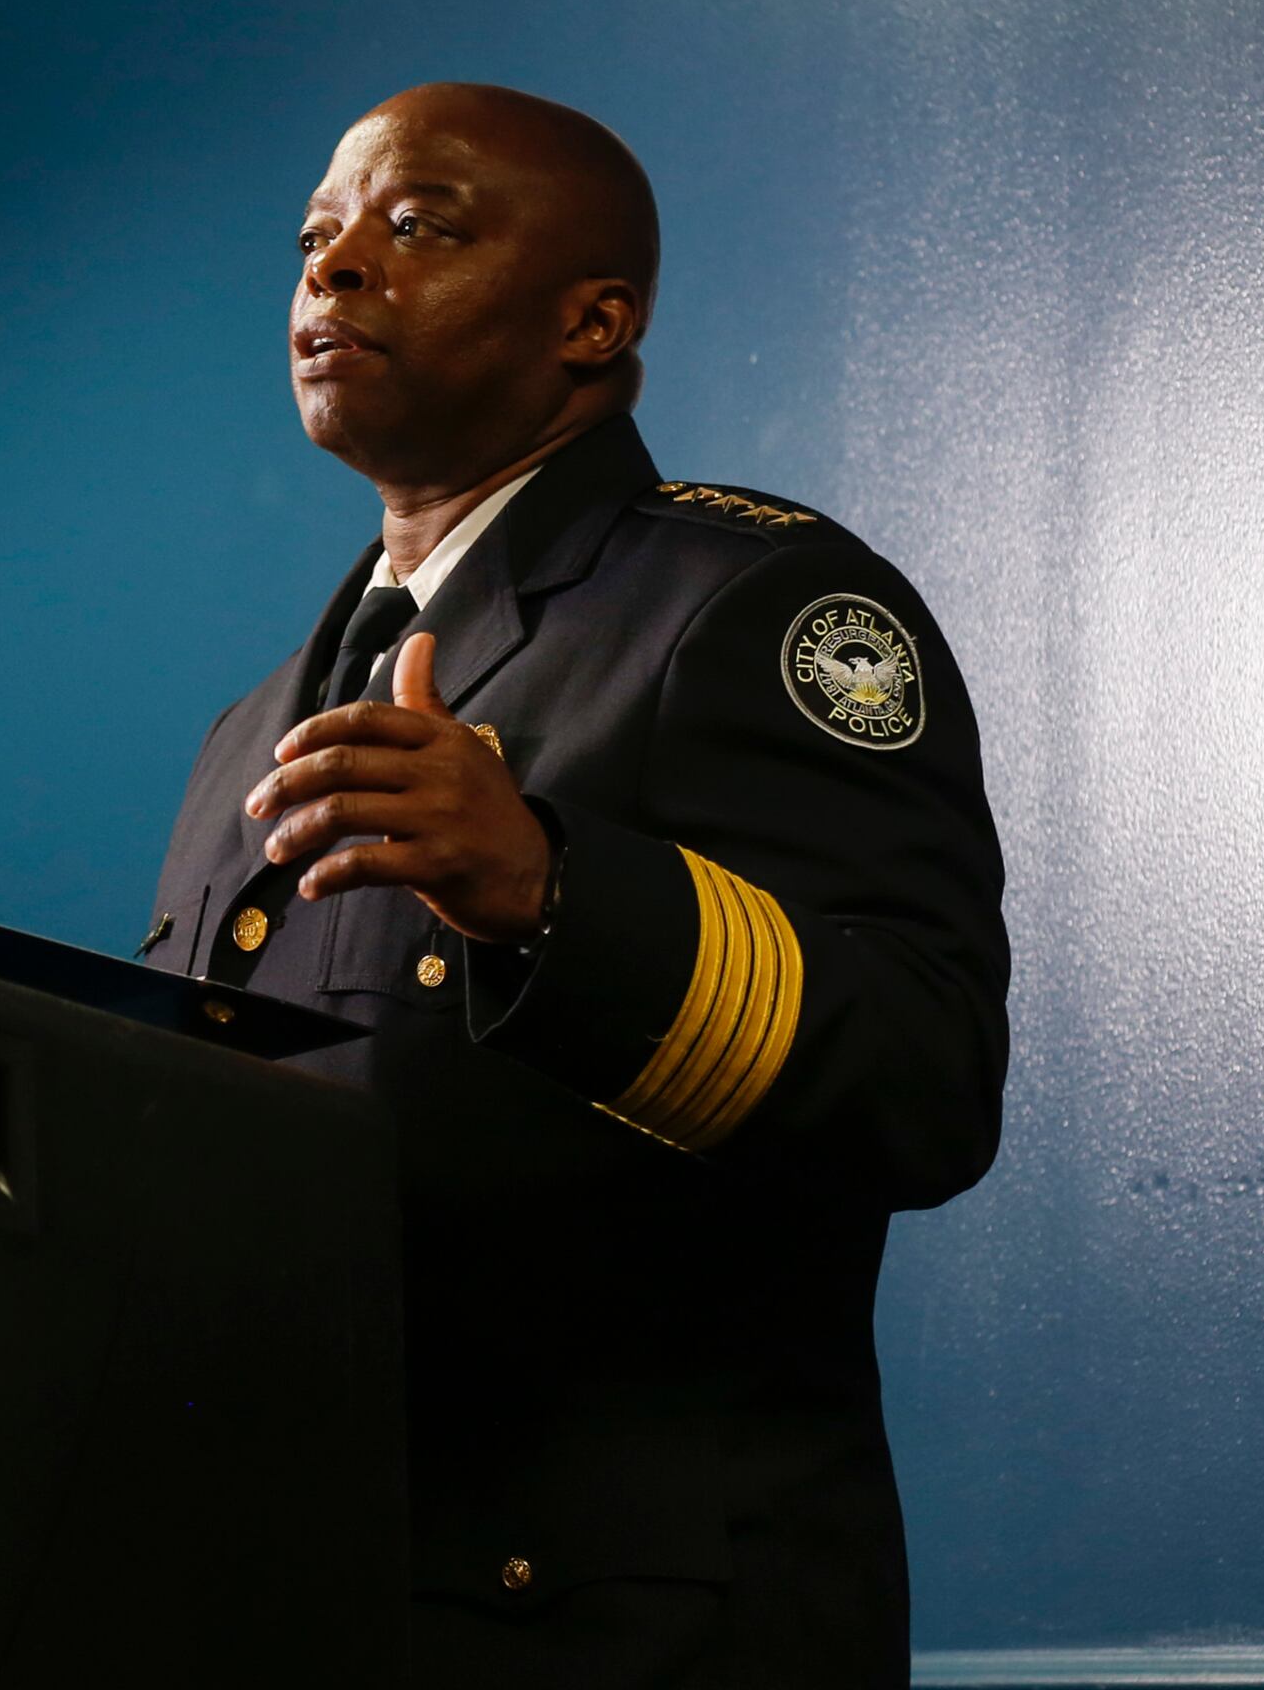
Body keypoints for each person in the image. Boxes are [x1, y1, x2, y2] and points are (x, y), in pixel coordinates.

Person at [139, 83, 1010, 1687]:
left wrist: (548, 891)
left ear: (591, 322)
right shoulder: (245, 734)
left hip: (624, 1621)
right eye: (318, 239)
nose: (333, 274)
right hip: (298, 1595)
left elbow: (927, 1080)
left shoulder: (748, 603)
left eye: (415, 229)